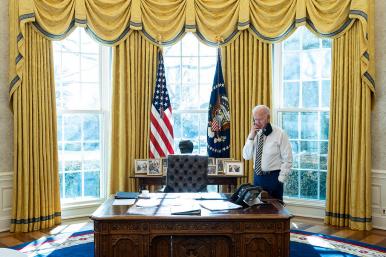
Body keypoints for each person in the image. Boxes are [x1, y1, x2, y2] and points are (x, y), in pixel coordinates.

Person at [242, 105, 292, 200]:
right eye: (255, 119)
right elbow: (246, 156)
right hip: (257, 177)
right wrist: (251, 137)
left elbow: (288, 159)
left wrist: (280, 180)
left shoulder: (280, 134)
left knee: (275, 211)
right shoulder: (254, 133)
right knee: (257, 209)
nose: (257, 123)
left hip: (273, 177)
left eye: (260, 119)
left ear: (268, 118)